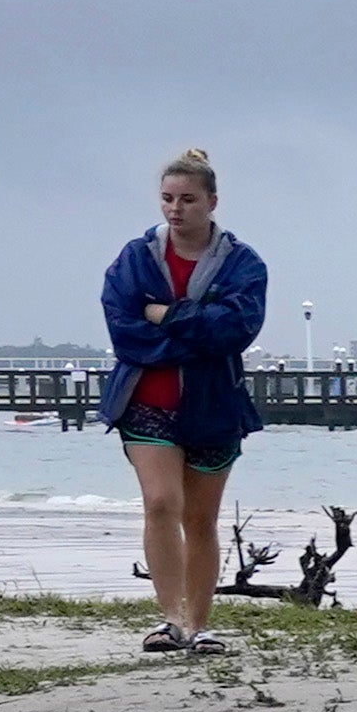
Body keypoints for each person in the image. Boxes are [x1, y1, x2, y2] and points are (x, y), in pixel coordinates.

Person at [99, 148, 269, 656]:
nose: (176, 209)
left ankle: (199, 625)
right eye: (168, 198)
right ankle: (169, 620)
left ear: (212, 202)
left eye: (188, 199)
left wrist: (166, 315)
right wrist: (191, 332)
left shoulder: (243, 264)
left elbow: (234, 329)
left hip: (214, 405)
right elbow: (123, 328)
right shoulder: (135, 258)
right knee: (160, 503)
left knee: (200, 519)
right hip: (146, 400)